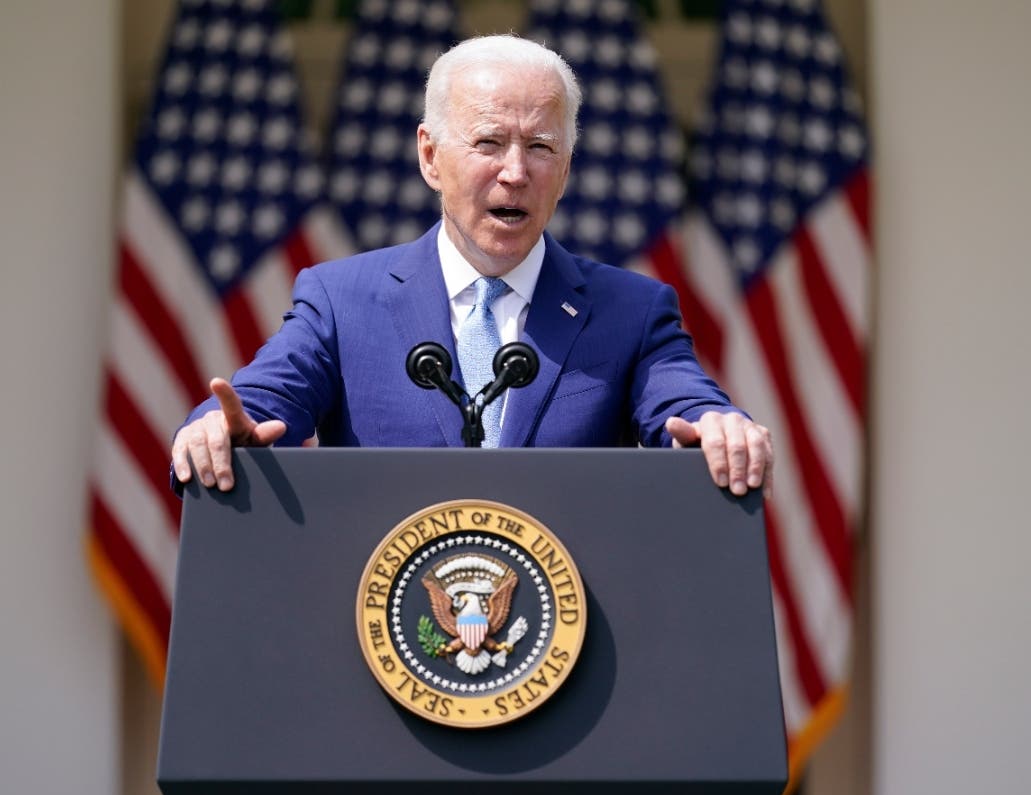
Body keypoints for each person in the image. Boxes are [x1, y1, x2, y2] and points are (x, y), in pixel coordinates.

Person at [170, 34, 773, 498]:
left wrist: (717, 426)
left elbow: (685, 404)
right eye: (489, 143)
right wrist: (216, 430)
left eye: (540, 147)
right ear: (431, 157)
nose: (516, 172)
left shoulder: (631, 312)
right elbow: (264, 399)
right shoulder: (340, 300)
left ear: (565, 170)